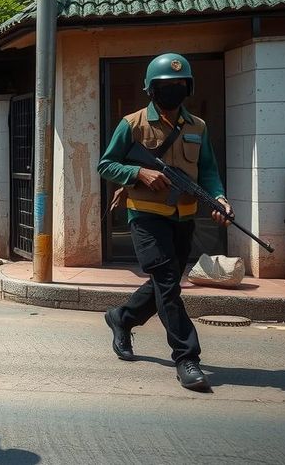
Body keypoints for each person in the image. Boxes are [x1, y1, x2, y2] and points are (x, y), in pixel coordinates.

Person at [97, 53, 232, 392]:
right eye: (165, 86)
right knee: (169, 284)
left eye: (179, 86)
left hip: (183, 216)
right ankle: (187, 358)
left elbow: (210, 172)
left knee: (163, 282)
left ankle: (122, 318)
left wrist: (219, 199)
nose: (172, 91)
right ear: (151, 90)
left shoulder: (198, 127)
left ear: (187, 88)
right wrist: (138, 172)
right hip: (145, 217)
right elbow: (106, 164)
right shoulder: (133, 123)